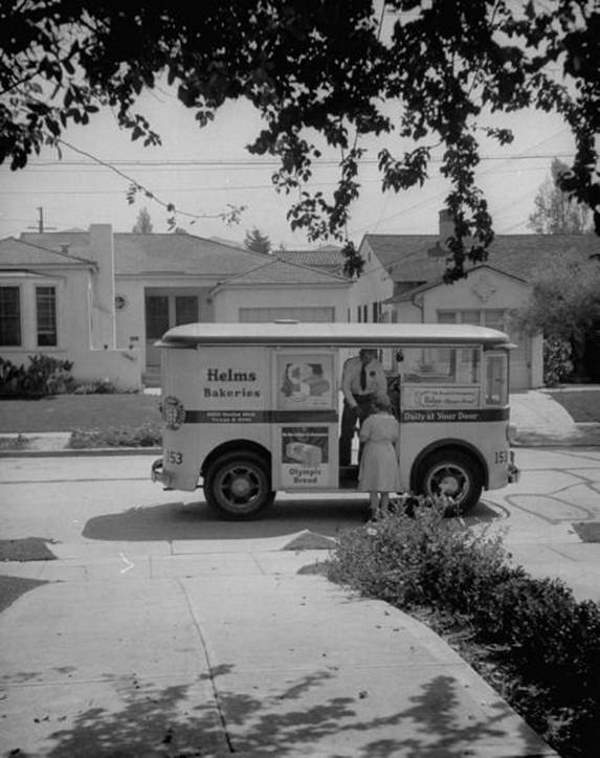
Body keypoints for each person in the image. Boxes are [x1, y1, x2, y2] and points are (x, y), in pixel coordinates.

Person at [339, 348, 387, 466]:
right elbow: (345, 386)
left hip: (368, 401)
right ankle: (343, 465)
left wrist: (379, 405)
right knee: (346, 434)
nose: (368, 358)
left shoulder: (377, 366)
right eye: (366, 355)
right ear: (361, 354)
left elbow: (382, 387)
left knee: (366, 435)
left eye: (371, 355)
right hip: (352, 399)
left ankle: (363, 465)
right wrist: (354, 406)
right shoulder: (351, 363)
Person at [358, 397, 401, 519]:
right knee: (385, 486)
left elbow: (363, 438)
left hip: (373, 451)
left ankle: (374, 512)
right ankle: (384, 512)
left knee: (373, 484)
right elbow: (395, 437)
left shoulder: (370, 420)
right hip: (388, 451)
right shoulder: (394, 421)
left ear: (375, 407)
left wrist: (358, 432)